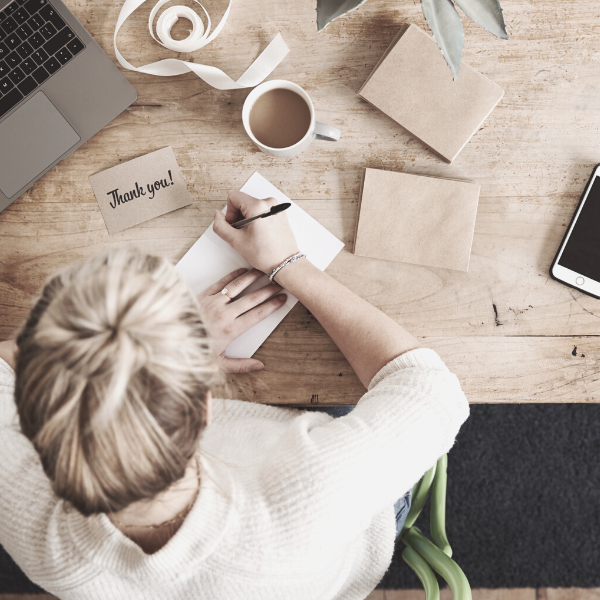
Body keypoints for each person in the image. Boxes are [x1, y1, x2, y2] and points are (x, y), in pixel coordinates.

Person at [0, 191, 469, 600]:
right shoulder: (312, 490)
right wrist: (289, 264)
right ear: (205, 407)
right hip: (341, 531)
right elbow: (431, 389)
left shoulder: (37, 530)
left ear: (36, 435)